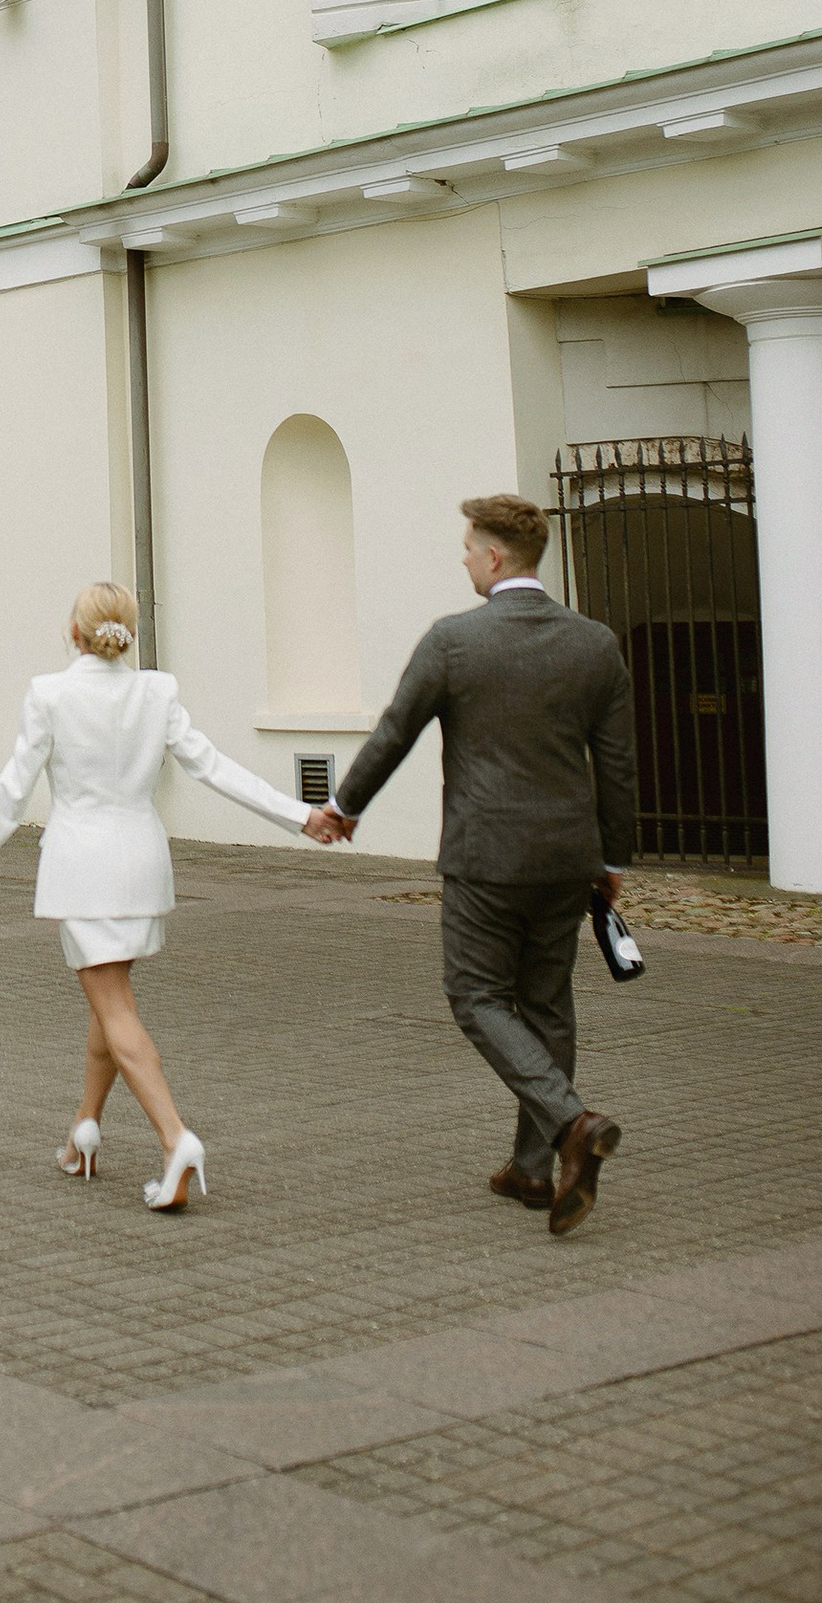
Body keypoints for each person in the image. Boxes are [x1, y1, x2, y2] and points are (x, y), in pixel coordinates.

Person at [0, 579, 345, 1209]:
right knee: (110, 1002)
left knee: (116, 1009)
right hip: (141, 867)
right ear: (128, 634)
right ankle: (84, 1129)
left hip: (84, 874)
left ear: (74, 631)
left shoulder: (50, 694)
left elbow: (12, 792)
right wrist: (300, 814)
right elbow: (214, 768)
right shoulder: (157, 692)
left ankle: (176, 1138)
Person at [325, 493, 638, 1237]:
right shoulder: (595, 644)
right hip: (567, 858)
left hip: (486, 856)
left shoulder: (454, 641)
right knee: (547, 1004)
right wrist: (612, 856)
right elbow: (617, 762)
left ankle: (572, 1123)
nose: (463, 557)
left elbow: (396, 730)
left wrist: (345, 805)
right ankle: (532, 1171)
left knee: (476, 996)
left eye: (469, 547)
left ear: (494, 557)